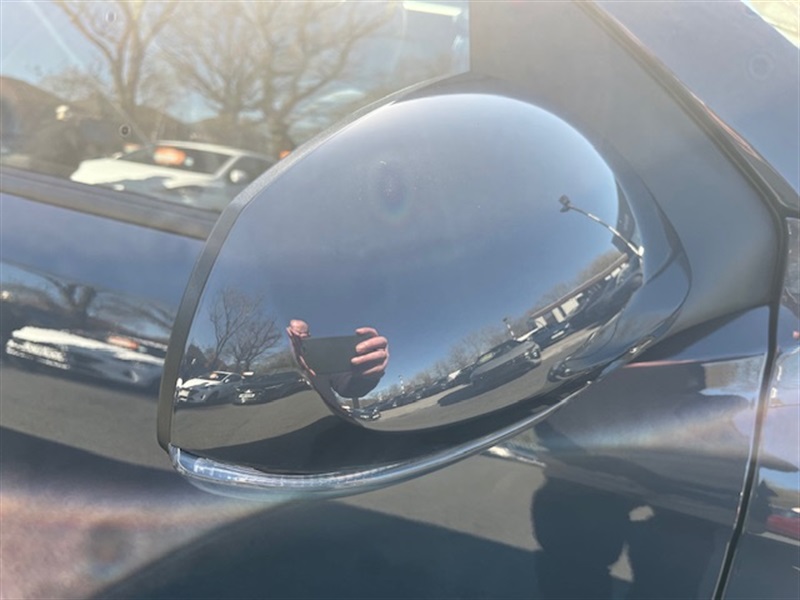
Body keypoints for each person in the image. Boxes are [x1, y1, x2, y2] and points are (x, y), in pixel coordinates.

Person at [286, 319, 389, 411]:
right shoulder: (281, 368)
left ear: (309, 337)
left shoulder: (323, 362)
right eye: (292, 336)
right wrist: (296, 363)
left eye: (301, 337)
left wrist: (368, 374)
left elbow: (348, 388)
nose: (296, 341)